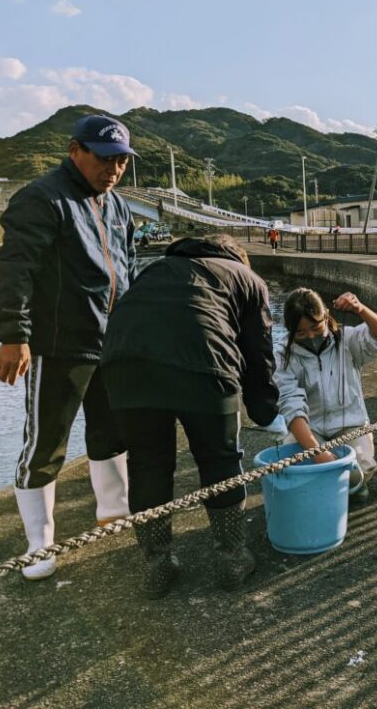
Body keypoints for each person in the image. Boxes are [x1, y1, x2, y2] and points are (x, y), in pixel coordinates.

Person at [0, 114, 137, 581]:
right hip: (58, 346)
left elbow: (127, 268)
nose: (113, 169)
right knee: (46, 443)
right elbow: (16, 267)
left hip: (110, 341)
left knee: (112, 432)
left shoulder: (117, 206)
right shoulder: (42, 197)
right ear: (75, 150)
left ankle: (113, 513)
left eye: (121, 161)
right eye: (104, 157)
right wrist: (14, 335)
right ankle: (40, 543)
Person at [100, 235, 280, 598]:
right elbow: (258, 347)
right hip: (204, 362)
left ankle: (157, 564)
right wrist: (263, 406)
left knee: (147, 464)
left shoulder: (157, 270)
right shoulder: (246, 278)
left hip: (125, 365)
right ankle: (231, 558)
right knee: (220, 460)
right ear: (238, 257)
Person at [274, 288, 377, 501]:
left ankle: (351, 484)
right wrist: (319, 453)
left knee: (360, 467)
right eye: (300, 333)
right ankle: (336, 486)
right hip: (309, 427)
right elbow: (290, 405)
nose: (310, 336)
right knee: (297, 461)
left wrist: (361, 309)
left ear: (327, 316)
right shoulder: (282, 355)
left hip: (350, 424)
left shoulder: (347, 339)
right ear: (290, 330)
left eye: (316, 327)